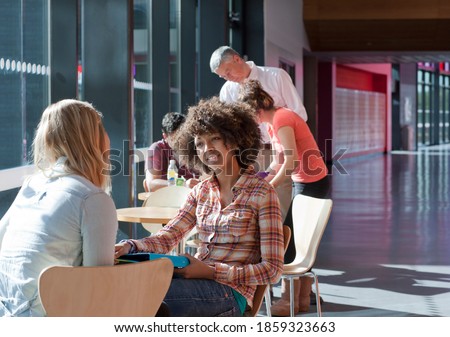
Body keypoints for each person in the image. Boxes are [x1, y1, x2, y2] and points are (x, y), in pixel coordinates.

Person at [115, 97, 285, 317]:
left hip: (231, 293)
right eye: (200, 144)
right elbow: (168, 237)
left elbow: (272, 271)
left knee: (146, 295)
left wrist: (212, 272)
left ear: (233, 141)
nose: (207, 149)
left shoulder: (262, 193)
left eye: (215, 139)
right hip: (196, 282)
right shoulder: (200, 191)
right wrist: (130, 246)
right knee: (129, 285)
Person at [0, 99, 118, 317]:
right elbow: (98, 287)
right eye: (101, 128)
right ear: (92, 139)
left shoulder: (32, 185)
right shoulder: (93, 199)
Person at [239, 80, 330, 316]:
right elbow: (279, 161)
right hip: (304, 181)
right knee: (293, 236)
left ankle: (288, 301)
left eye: (250, 116)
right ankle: (298, 301)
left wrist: (269, 185)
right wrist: (260, 176)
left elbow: (290, 162)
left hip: (312, 183)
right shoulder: (272, 124)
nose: (252, 122)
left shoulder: (282, 118)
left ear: (257, 110)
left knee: (289, 237)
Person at [145, 112, 200, 192]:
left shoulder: (193, 146)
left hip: (192, 197)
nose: (180, 141)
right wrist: (182, 184)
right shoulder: (156, 148)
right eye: (175, 138)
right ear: (165, 136)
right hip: (167, 199)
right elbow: (151, 184)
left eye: (183, 136)